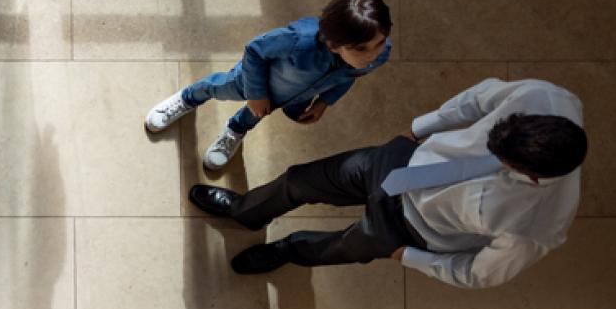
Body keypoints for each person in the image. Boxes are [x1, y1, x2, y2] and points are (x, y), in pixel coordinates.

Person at [189, 77, 586, 286]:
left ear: (531, 175)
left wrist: (407, 256)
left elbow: (478, 273)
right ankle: (246, 212)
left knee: (332, 248)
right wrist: (419, 129)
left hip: (410, 230)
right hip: (404, 161)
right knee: (299, 180)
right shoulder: (546, 99)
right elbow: (478, 100)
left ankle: (286, 251)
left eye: (499, 160)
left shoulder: (534, 228)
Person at [146, 0, 393, 171]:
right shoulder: (298, 40)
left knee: (258, 114)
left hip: (296, 96)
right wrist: (256, 93)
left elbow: (350, 76)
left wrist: (324, 102)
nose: (373, 55)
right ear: (334, 44)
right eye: (361, 49)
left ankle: (235, 129)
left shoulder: (379, 55)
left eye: (380, 43)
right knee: (218, 88)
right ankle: (187, 98)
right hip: (254, 82)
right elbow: (254, 50)